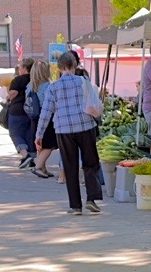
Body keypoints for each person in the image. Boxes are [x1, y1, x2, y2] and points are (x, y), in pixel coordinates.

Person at [42, 51, 104, 214]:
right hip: (85, 126)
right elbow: (94, 102)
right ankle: (91, 198)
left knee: (70, 166)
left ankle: (75, 206)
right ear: (75, 65)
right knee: (90, 163)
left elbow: (46, 112)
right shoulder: (84, 81)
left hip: (63, 129)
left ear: (60, 67)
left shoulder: (53, 87)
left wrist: (39, 134)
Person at [2, 61, 38, 166]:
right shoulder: (34, 79)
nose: (19, 69)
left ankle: (24, 155)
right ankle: (31, 158)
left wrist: (8, 97)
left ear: (25, 68)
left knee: (15, 133)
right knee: (28, 134)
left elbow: (14, 93)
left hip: (17, 110)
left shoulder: (18, 80)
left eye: (20, 67)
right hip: (31, 110)